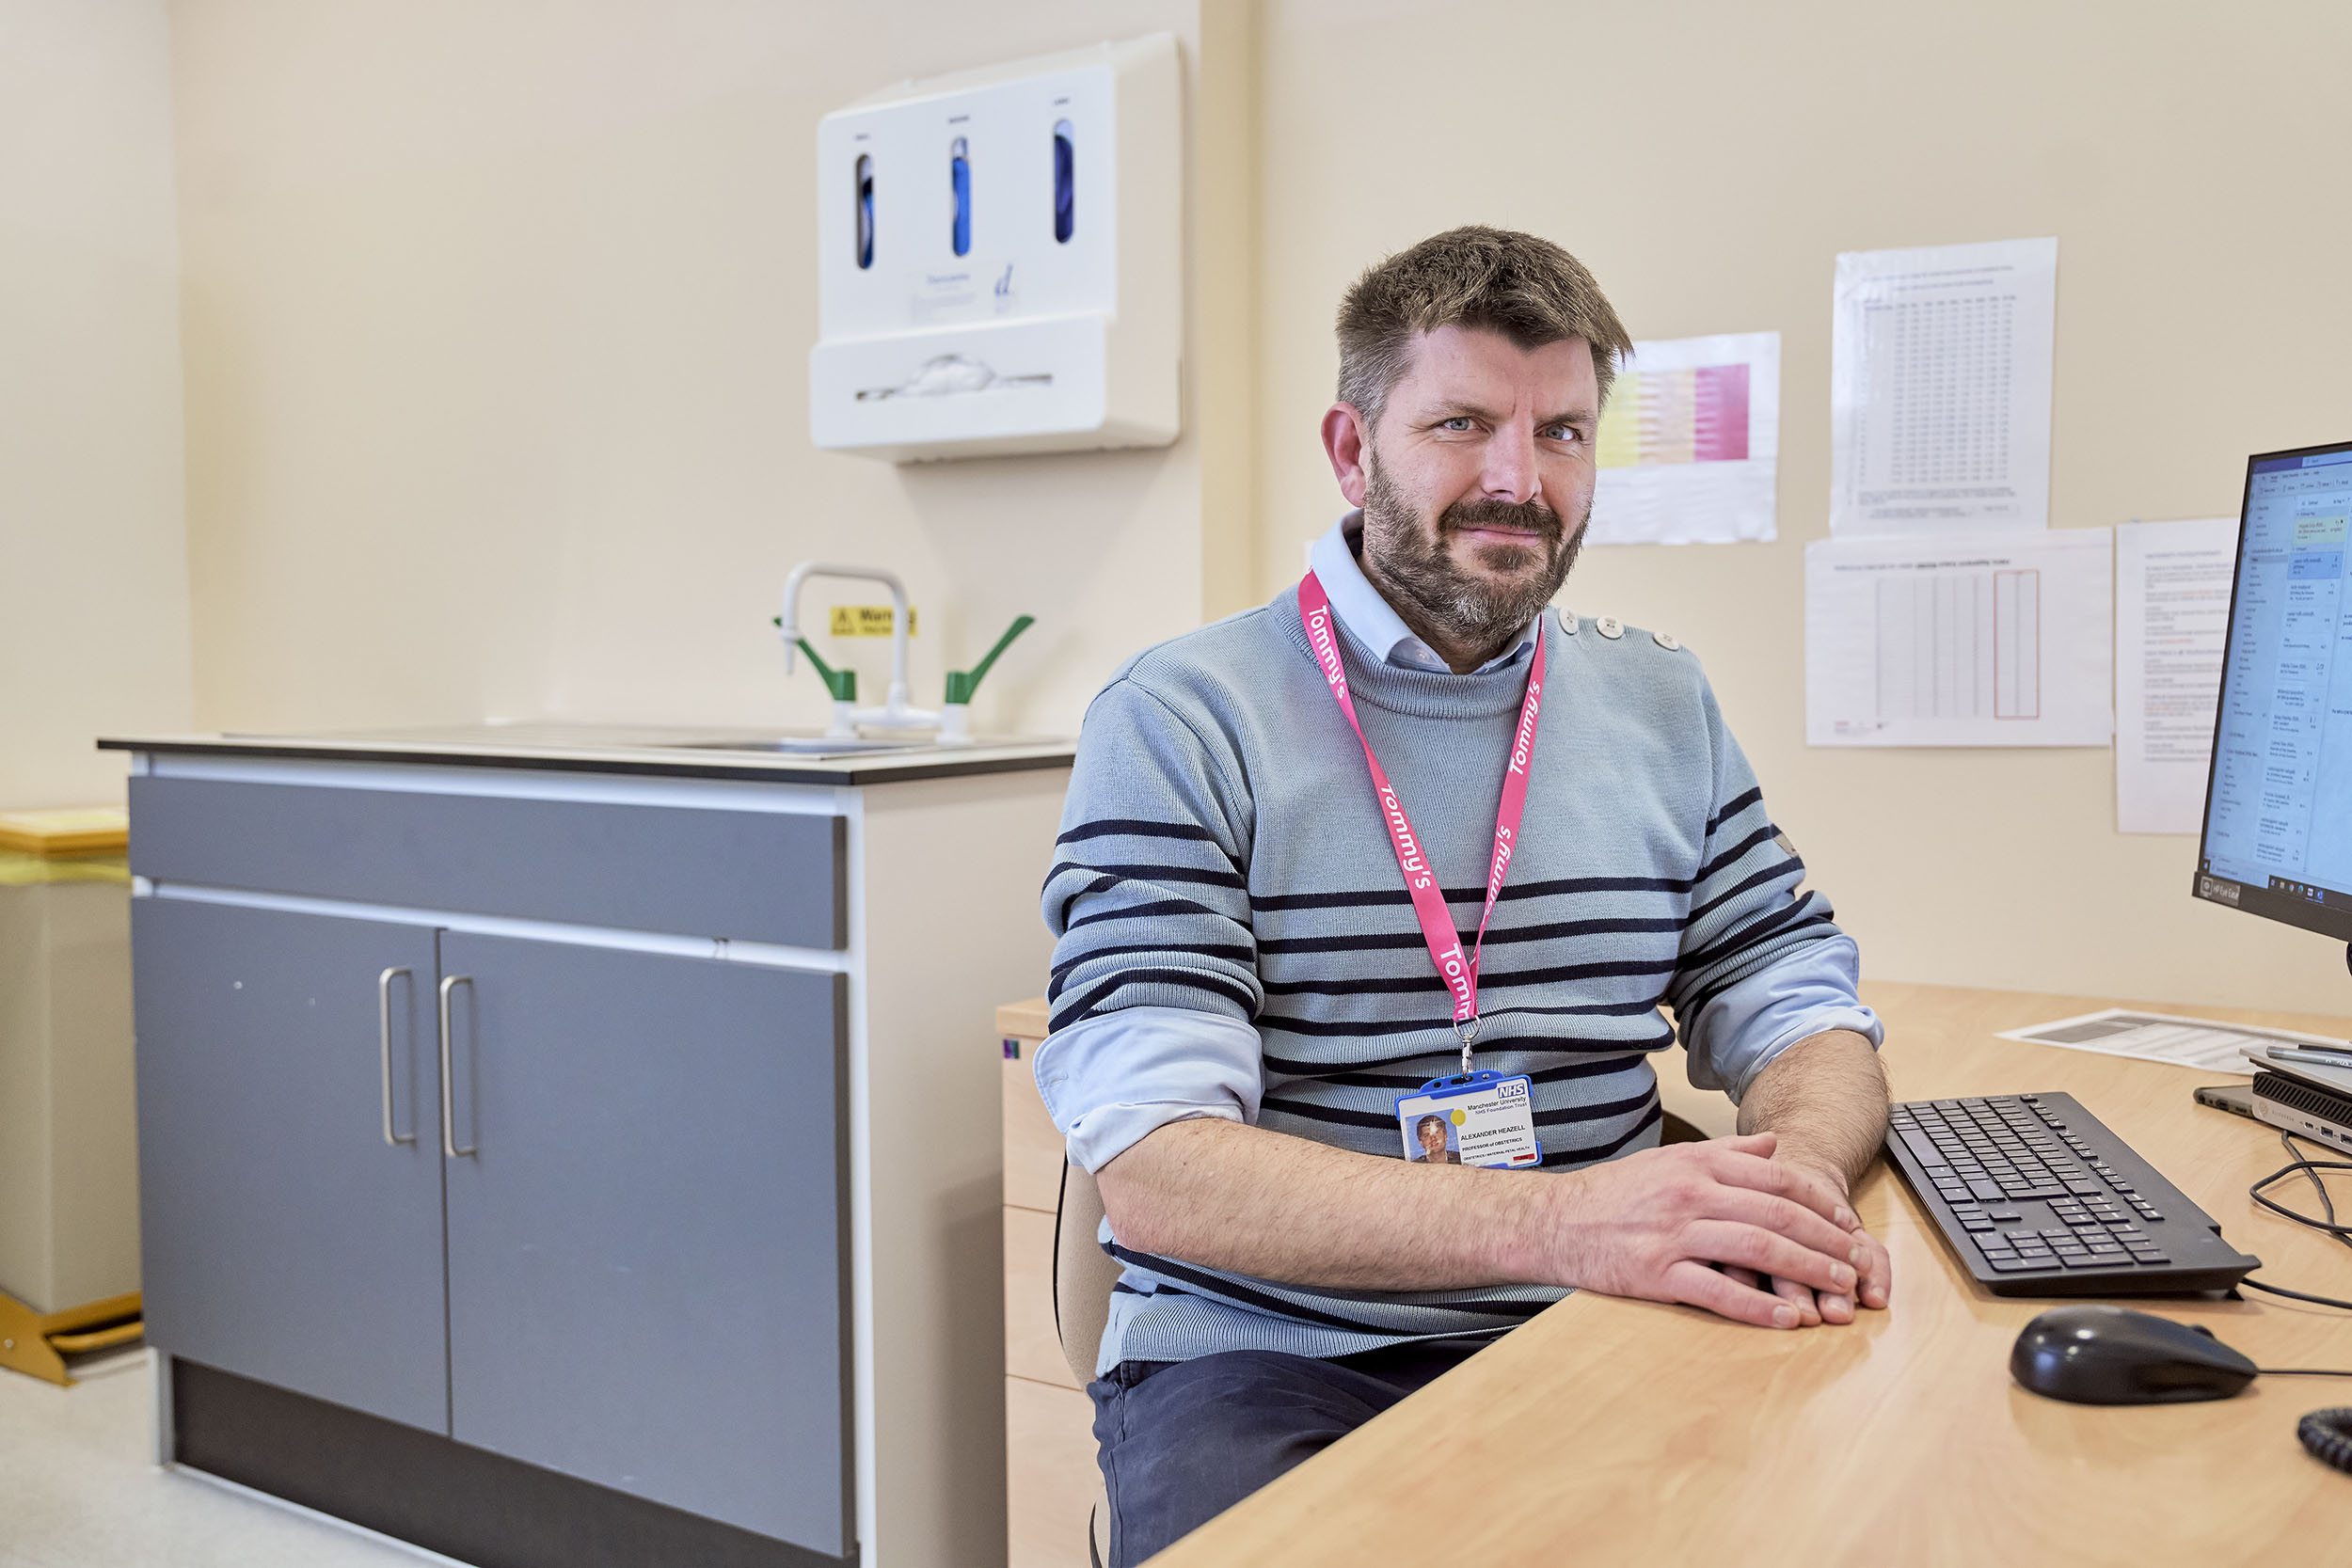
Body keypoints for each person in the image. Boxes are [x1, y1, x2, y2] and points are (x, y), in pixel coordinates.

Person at [1034, 226, 1891, 1567]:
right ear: (1349, 447)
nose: (1520, 480)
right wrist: (1568, 1222)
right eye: (1462, 424)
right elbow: (1154, 1169)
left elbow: (1795, 1001)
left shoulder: (1661, 700)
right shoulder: (1181, 718)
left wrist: (1785, 1186)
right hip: (1277, 1355)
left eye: (1562, 433)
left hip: (1616, 1318)